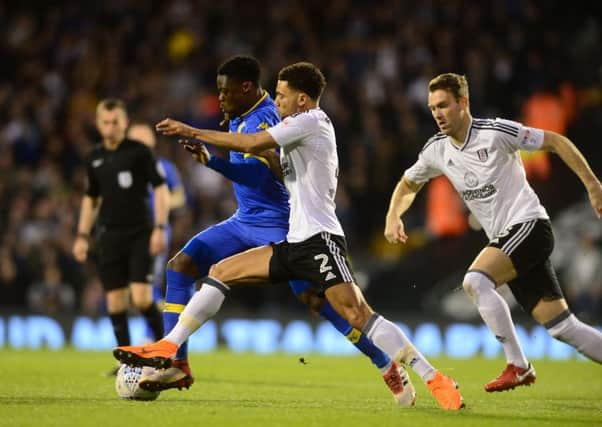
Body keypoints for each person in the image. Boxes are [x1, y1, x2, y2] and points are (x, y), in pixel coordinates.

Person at [114, 62, 464, 410]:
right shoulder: (281, 121)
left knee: (349, 311)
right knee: (211, 270)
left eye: (281, 95)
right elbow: (278, 166)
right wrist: (220, 160)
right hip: (287, 236)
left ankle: (417, 371)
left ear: (300, 99)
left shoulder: (305, 120)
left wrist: (192, 131)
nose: (275, 101)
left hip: (308, 234)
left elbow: (255, 150)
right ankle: (172, 352)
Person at [383, 73, 602, 392]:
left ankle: (518, 365)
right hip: (509, 240)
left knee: (475, 281)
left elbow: (555, 141)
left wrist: (593, 185)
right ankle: (522, 365)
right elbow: (408, 184)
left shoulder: (496, 132)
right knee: (562, 327)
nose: (438, 114)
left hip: (529, 226)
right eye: (432, 108)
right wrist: (393, 216)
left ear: (463, 103)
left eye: (443, 105)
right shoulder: (437, 151)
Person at [72, 99, 168, 361]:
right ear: (98, 124)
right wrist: (82, 235)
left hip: (139, 234)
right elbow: (91, 199)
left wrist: (160, 227)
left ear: (125, 123)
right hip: (109, 236)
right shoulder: (94, 158)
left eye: (116, 121)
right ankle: (127, 360)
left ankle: (165, 351)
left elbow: (160, 188)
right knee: (114, 302)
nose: (111, 127)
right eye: (106, 122)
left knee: (141, 298)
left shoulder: (139, 152)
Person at [127, 122, 186, 342]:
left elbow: (180, 197)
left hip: (154, 231)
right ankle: (150, 338)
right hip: (128, 233)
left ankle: (153, 338)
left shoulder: (163, 167)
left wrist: (160, 204)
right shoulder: (123, 169)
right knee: (133, 291)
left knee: (147, 287)